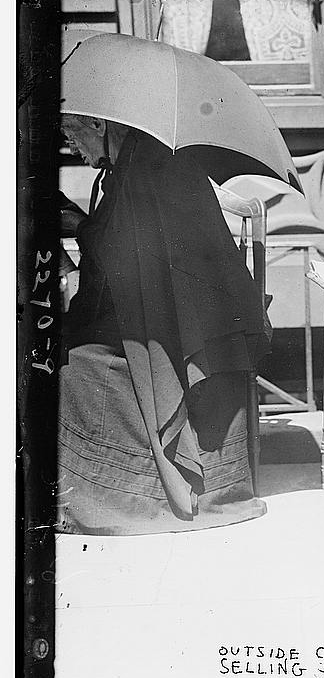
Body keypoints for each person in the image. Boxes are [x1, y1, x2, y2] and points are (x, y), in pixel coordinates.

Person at [56, 113, 270, 534]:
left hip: (190, 329)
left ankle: (119, 492)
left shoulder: (149, 165)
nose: (72, 147)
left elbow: (130, 259)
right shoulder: (135, 160)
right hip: (177, 314)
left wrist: (78, 225)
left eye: (72, 133)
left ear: (99, 126)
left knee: (71, 365)